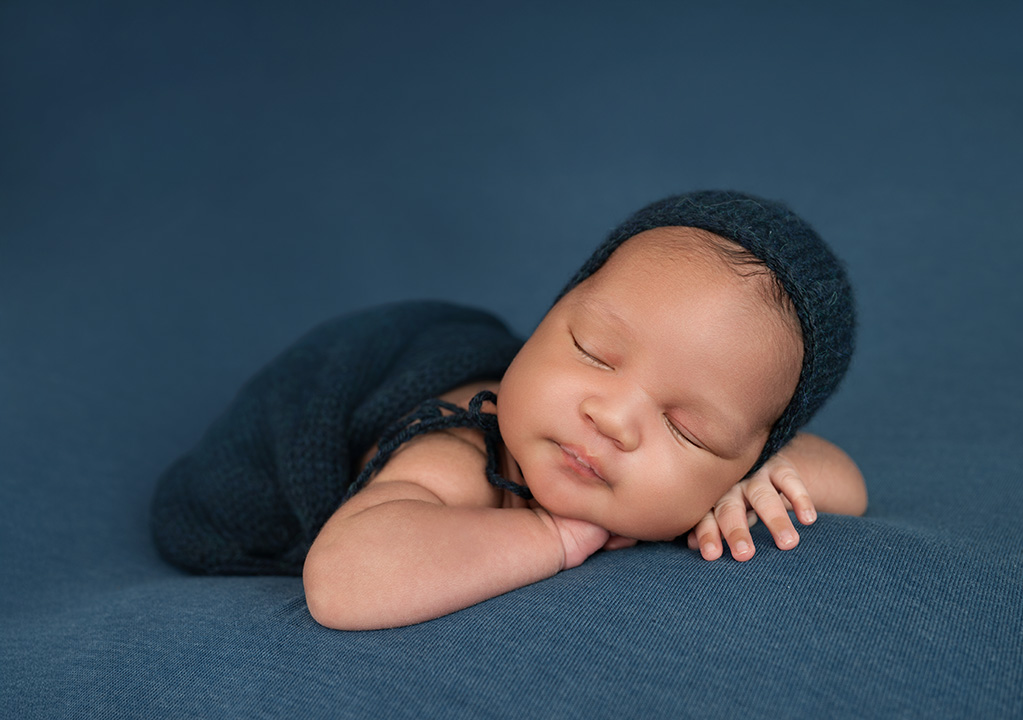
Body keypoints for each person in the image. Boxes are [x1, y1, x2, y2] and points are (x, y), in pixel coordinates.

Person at [299, 190, 867, 630]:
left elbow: (849, 485)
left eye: (687, 431)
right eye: (592, 353)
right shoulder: (458, 451)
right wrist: (549, 537)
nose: (613, 420)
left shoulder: (731, 466)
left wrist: (757, 478)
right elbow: (342, 583)